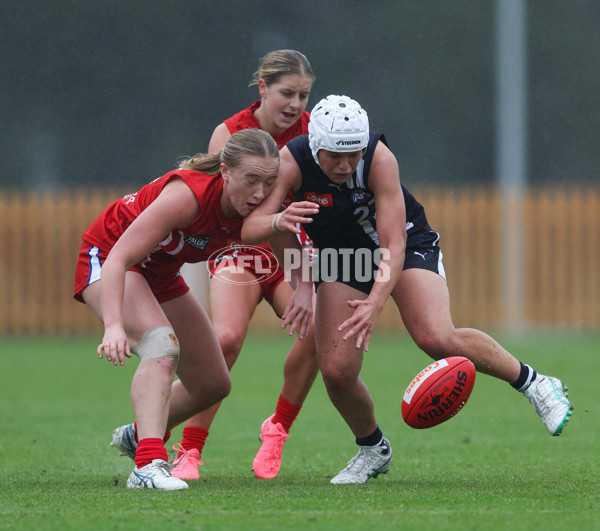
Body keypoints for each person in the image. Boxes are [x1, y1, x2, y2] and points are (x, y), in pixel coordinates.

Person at [241, 95, 574, 485]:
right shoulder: (289, 163)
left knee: (436, 337)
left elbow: (394, 246)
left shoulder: (379, 160)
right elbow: (254, 227)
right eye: (334, 155)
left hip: (405, 245)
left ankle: (536, 384)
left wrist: (374, 303)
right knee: (336, 370)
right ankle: (372, 449)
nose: (346, 165)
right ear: (316, 144)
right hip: (340, 256)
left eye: (354, 153)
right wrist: (299, 280)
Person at [73, 128, 284, 490]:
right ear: (225, 172)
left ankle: (138, 434)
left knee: (213, 384)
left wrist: (302, 293)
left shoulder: (257, 209)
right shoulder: (188, 197)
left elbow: (283, 248)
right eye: (251, 180)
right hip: (109, 260)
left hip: (160, 274)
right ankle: (147, 465)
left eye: (269, 182)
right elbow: (120, 257)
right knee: (161, 346)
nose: (261, 193)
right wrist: (113, 326)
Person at [170, 49, 319, 481]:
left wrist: (307, 278)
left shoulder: (313, 134)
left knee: (319, 332)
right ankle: (189, 449)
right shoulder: (230, 133)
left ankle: (278, 429)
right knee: (228, 337)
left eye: (303, 95)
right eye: (286, 93)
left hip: (290, 251)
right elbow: (225, 215)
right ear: (263, 89)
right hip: (238, 249)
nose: (295, 104)